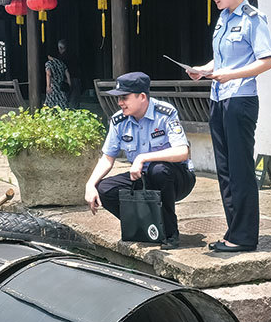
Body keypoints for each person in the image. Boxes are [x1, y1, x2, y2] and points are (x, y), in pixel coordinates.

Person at [188, 0, 271, 253]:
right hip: (219, 98)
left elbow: (267, 61)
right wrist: (204, 69)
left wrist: (231, 75)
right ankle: (232, 232)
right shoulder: (224, 17)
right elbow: (223, 61)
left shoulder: (253, 19)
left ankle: (244, 236)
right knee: (224, 170)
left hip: (240, 100)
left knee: (240, 169)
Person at [84, 72, 196, 250]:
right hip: (143, 176)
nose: (120, 103)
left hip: (177, 179)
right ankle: (144, 226)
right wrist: (90, 185)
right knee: (105, 189)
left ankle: (169, 234)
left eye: (125, 98)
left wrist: (143, 157)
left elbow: (183, 152)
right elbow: (107, 157)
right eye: (119, 98)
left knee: (158, 170)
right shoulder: (119, 120)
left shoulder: (164, 113)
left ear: (142, 97)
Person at [57, 39, 82, 108]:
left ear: (60, 48)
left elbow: (63, 70)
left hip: (66, 80)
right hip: (76, 78)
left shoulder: (61, 58)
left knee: (65, 100)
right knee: (75, 101)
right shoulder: (74, 55)